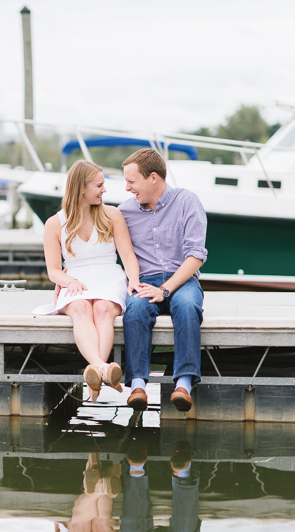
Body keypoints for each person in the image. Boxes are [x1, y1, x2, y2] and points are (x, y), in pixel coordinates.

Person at [41, 160, 140, 402]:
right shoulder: (54, 224)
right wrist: (68, 280)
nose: (104, 190)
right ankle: (102, 368)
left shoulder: (111, 215)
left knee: (103, 309)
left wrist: (134, 281)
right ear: (81, 188)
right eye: (99, 185)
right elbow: (53, 270)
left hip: (109, 275)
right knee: (82, 308)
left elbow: (128, 255)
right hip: (75, 277)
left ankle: (95, 371)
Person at [118, 148, 207, 412]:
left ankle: (184, 384)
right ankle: (137, 386)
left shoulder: (187, 201)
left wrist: (165, 290)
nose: (127, 188)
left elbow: (196, 256)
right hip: (145, 280)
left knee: (188, 307)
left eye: (132, 182)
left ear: (153, 178)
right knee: (134, 309)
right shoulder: (124, 212)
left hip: (183, 279)